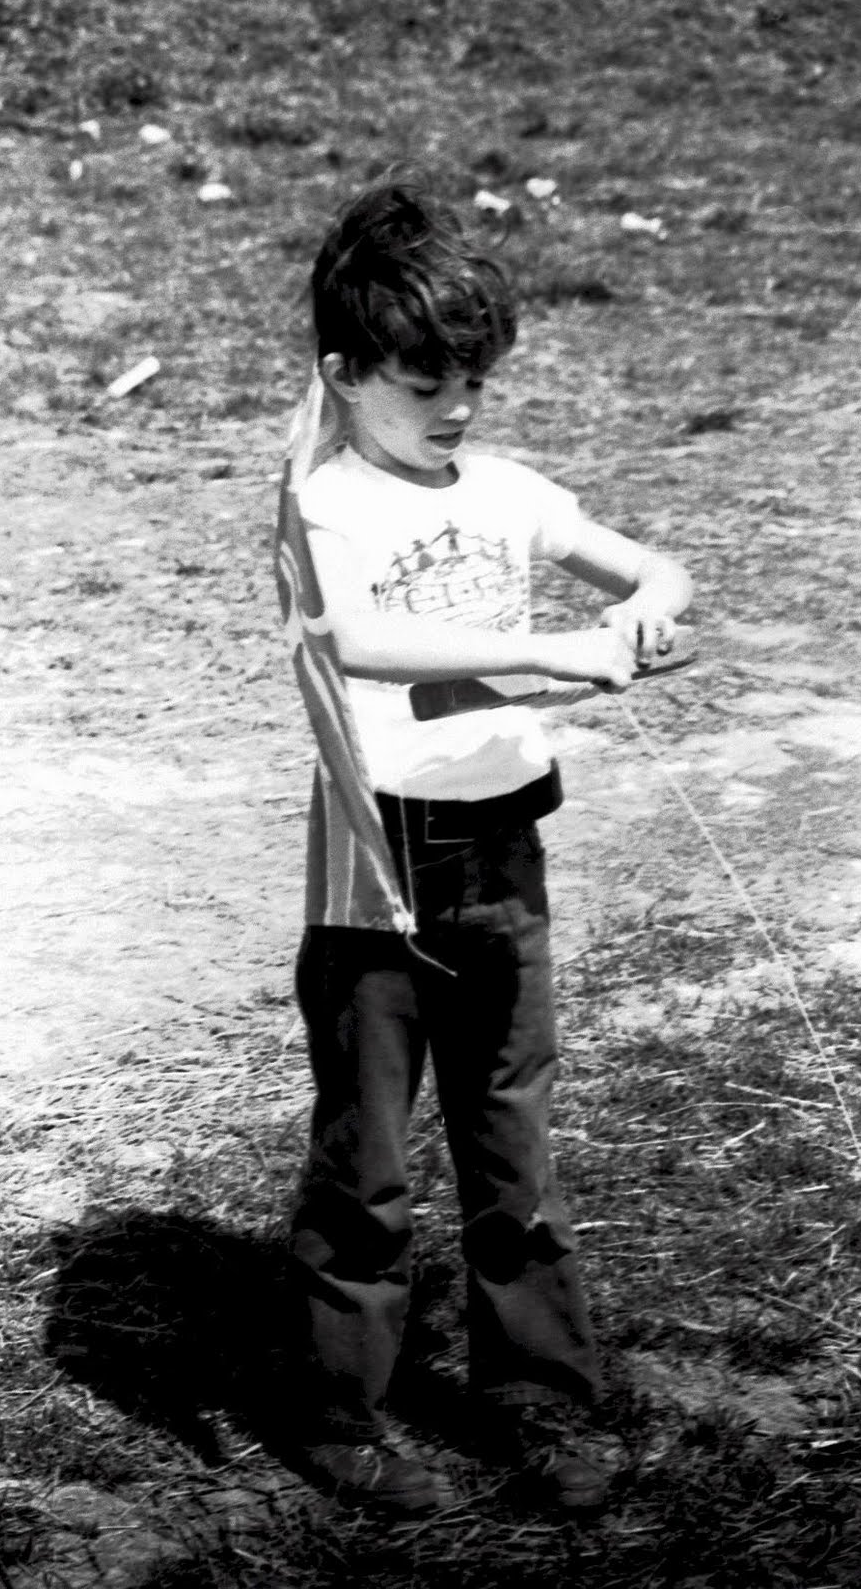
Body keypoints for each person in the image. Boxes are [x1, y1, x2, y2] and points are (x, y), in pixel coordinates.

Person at [279, 175, 693, 1517]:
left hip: (503, 854)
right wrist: (539, 646)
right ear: (344, 375)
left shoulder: (509, 487)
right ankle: (343, 1415)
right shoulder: (327, 503)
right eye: (421, 381)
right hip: (376, 867)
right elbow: (363, 646)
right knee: (371, 1160)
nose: (453, 407)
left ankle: (543, 1402)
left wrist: (644, 617)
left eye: (471, 380)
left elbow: (645, 568)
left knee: (511, 1143)